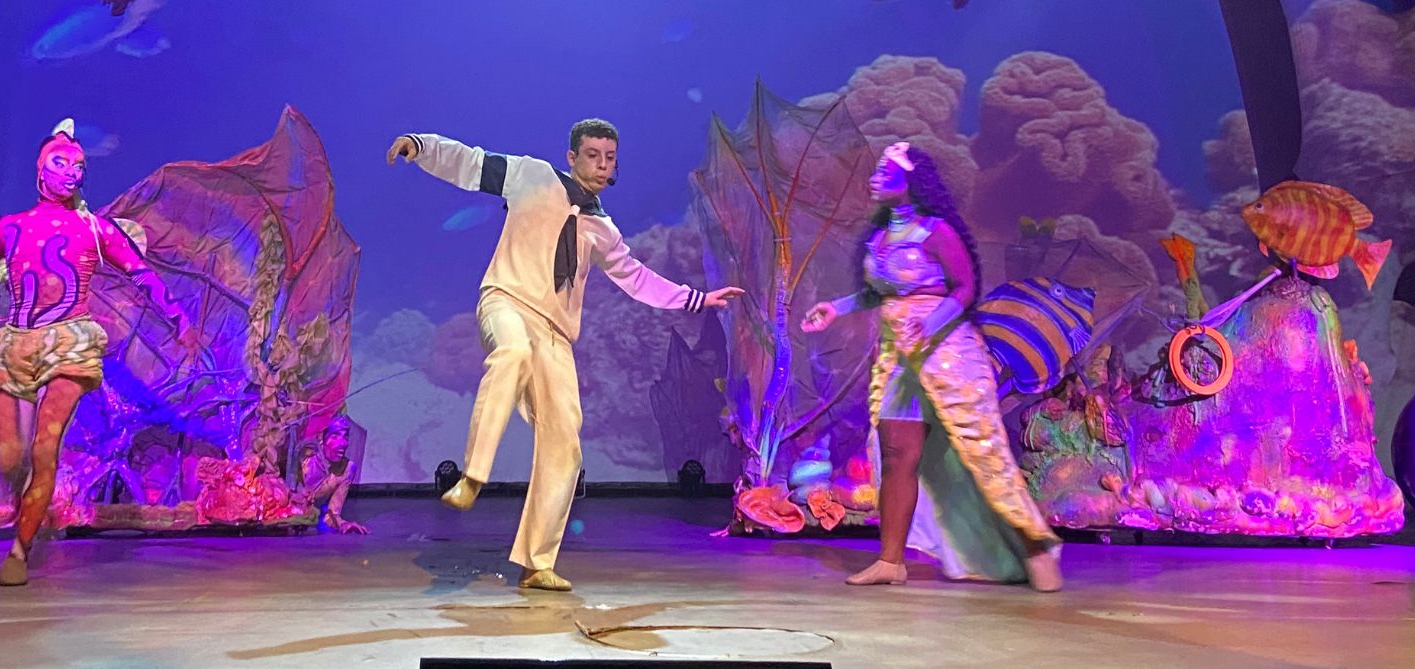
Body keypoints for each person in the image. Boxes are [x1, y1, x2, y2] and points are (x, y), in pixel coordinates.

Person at [387, 119, 742, 591]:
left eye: (609, 157)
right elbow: (472, 164)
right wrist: (422, 146)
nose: (602, 165)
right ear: (572, 157)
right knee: (512, 352)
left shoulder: (602, 229)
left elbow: (637, 279)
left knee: (565, 441)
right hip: (507, 301)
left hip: (554, 333)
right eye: (593, 155)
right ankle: (472, 476)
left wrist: (697, 298)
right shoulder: (532, 175)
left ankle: (537, 562)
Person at [0, 119, 195, 586]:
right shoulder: (9, 229)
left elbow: (141, 274)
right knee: (10, 457)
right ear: (40, 169)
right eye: (62, 162)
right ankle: (31, 508)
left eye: (79, 166)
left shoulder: (95, 230)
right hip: (17, 345)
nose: (72, 172)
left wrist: (177, 316)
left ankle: (19, 550)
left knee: (44, 448)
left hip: (70, 343)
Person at [801, 141, 1060, 590]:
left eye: (886, 170)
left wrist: (932, 323)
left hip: (948, 353)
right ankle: (890, 561)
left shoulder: (936, 230)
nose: (875, 177)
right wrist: (836, 309)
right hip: (898, 359)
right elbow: (880, 293)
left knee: (981, 451)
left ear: (911, 181)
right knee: (897, 454)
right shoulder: (880, 237)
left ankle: (1034, 546)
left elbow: (964, 287)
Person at [298, 415, 367, 534]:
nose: (342, 443)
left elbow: (332, 514)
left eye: (345, 437)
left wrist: (342, 524)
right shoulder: (305, 462)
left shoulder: (347, 469)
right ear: (322, 438)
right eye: (335, 436)